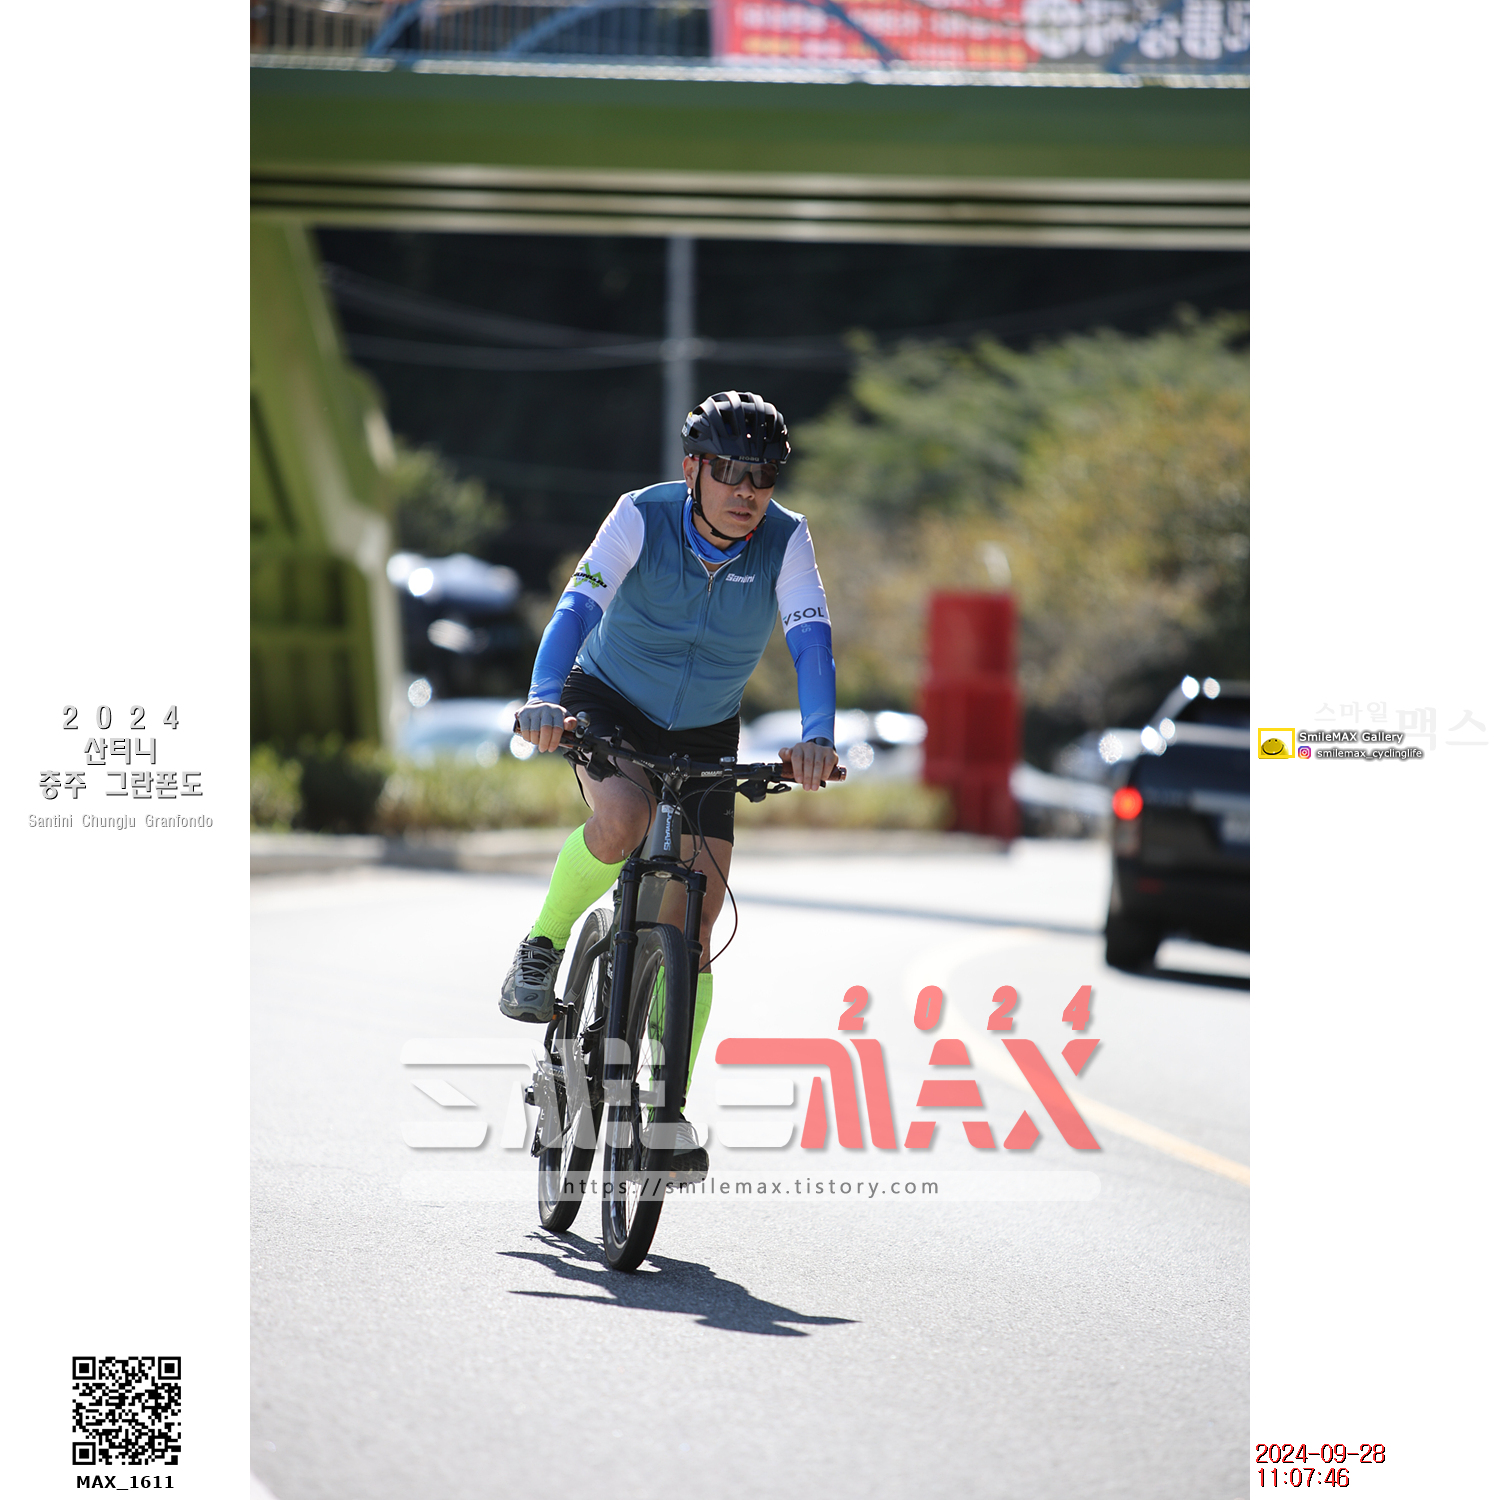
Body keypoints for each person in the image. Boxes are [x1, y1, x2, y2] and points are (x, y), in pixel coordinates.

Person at [501, 391, 839, 1177]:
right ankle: (544, 942)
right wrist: (545, 696)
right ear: (693, 469)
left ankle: (665, 1111)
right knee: (623, 819)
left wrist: (818, 736)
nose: (747, 491)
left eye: (763, 475)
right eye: (729, 472)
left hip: (705, 729)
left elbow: (811, 641)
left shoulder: (786, 539)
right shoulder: (641, 516)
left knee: (696, 928)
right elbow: (576, 608)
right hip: (608, 702)